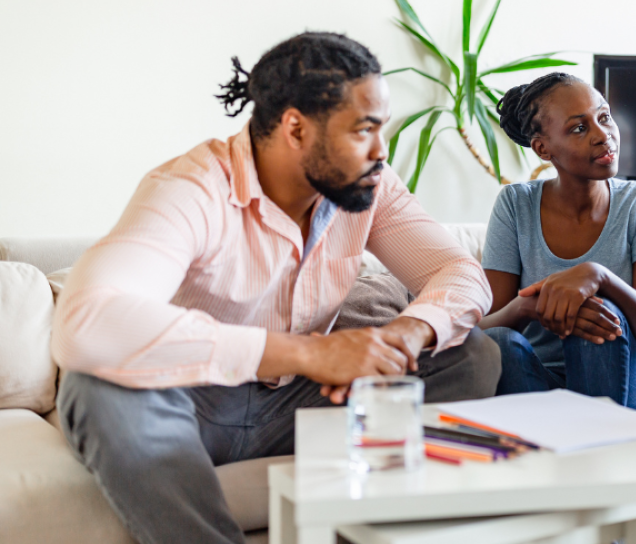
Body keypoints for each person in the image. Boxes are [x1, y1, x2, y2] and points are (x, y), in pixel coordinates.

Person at [51, 32, 500, 544]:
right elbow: (84, 322)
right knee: (95, 389)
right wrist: (307, 353)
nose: (382, 151)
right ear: (295, 128)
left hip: (300, 408)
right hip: (191, 403)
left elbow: (461, 272)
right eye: (364, 130)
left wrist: (406, 335)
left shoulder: (369, 186)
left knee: (473, 355)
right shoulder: (191, 188)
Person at [479, 72, 636, 411]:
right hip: (542, 380)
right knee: (497, 342)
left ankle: (589, 446)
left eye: (604, 117)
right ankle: (559, 443)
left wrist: (599, 277)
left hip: (634, 377)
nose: (604, 136)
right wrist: (529, 307)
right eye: (579, 128)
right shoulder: (515, 204)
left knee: (598, 313)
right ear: (543, 148)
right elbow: (484, 327)